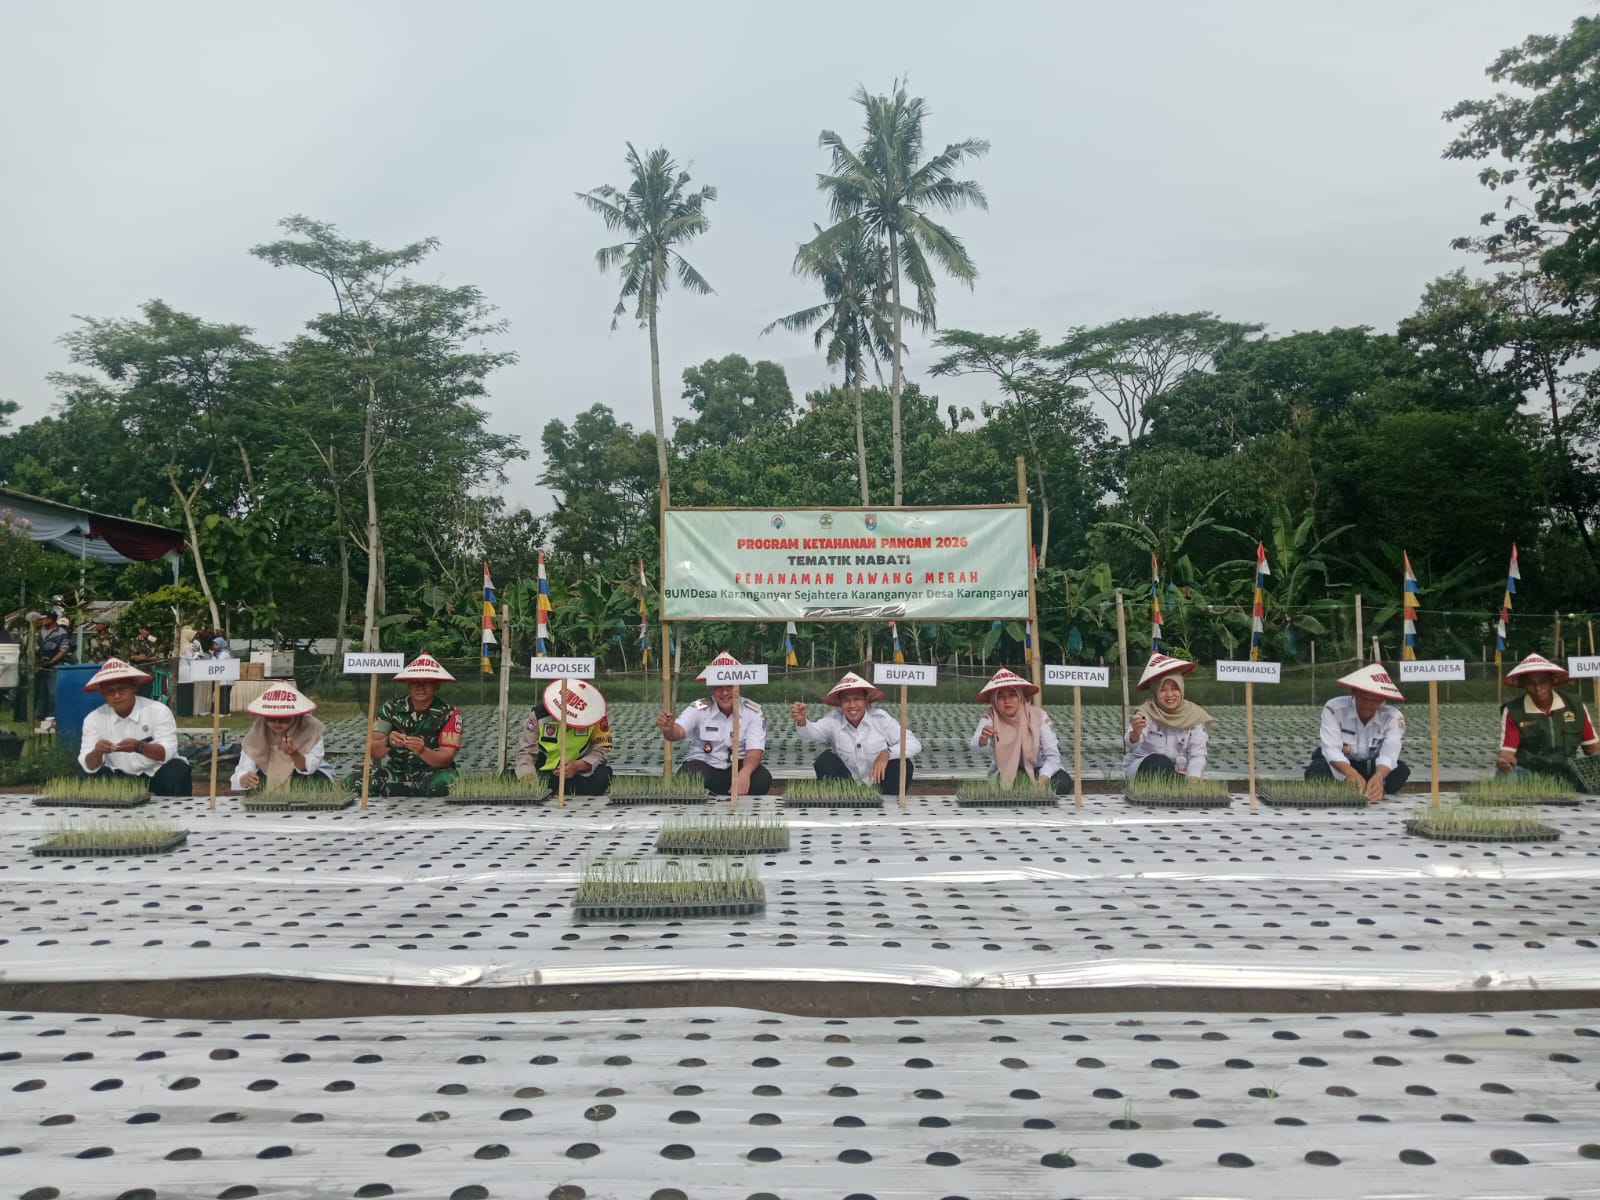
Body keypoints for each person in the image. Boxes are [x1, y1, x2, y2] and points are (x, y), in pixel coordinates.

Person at [656, 651, 772, 795]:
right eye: (718, 687)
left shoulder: (753, 711)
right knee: (690, 776)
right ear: (710, 687)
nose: (724, 693)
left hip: (738, 768)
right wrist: (669, 728)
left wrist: (745, 773)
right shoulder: (699, 708)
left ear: (740, 686)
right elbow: (678, 731)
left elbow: (755, 750)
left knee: (761, 779)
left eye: (730, 686)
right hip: (707, 765)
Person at [76, 657, 192, 795]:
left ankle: (178, 814)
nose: (117, 695)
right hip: (118, 777)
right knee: (87, 776)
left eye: (122, 689)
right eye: (110, 691)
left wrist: (140, 747)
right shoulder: (94, 719)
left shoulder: (158, 711)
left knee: (177, 769)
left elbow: (168, 752)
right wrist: (97, 752)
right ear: (103, 694)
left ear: (134, 687)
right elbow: (88, 765)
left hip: (155, 773)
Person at [791, 669, 920, 793]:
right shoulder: (834, 719)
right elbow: (812, 732)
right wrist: (802, 721)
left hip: (879, 782)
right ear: (840, 704)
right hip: (847, 784)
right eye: (846, 700)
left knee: (903, 764)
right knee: (825, 760)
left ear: (866, 701)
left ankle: (888, 803)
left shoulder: (880, 719)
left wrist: (887, 753)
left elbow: (913, 744)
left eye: (857, 699)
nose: (852, 705)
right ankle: (841, 801)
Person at [355, 652, 462, 797]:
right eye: (414, 682)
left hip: (433, 773)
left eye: (427, 682)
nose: (420, 687)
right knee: (356, 781)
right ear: (408, 684)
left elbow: (446, 758)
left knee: (445, 785)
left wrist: (422, 751)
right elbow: (372, 750)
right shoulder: (390, 709)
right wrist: (389, 742)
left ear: (437, 684)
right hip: (396, 772)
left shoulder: (451, 714)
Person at [1303, 663, 1409, 801]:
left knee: (1400, 772)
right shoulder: (1334, 708)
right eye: (1363, 698)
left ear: (1383, 701)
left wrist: (1379, 777)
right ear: (1354, 693)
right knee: (1317, 770)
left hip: (1370, 765)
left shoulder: (1393, 718)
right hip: (1340, 764)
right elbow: (1331, 749)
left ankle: (1373, 790)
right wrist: (1349, 772)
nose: (1368, 704)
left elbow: (1389, 754)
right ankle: (1342, 789)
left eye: (1374, 701)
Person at [1495, 651, 1600, 785]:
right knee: (1505, 776)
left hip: (1567, 771)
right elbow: (1507, 752)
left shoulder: (1575, 705)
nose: (1538, 688)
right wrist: (1504, 761)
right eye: (1531, 683)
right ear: (1523, 684)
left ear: (1553, 680)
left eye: (1543, 682)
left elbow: (1592, 748)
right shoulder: (1514, 710)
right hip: (1530, 772)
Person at [970, 667, 1072, 794]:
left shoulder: (1038, 716)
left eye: (1012, 695)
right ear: (995, 700)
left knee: (1062, 783)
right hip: (1007, 769)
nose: (1007, 701)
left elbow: (1052, 755)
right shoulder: (990, 717)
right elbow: (975, 746)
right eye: (1001, 697)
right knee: (1013, 783)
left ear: (1020, 696)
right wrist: (982, 739)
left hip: (1038, 768)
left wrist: (1044, 777)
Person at [1123, 653, 1213, 782]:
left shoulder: (1194, 715)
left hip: (1180, 771)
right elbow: (1131, 743)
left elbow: (1197, 754)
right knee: (1158, 762)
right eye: (1163, 690)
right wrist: (1135, 733)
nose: (1169, 695)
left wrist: (1193, 776)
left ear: (1181, 689)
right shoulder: (1145, 712)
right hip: (1145, 767)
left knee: (1178, 775)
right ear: (1155, 691)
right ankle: (1178, 784)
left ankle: (1181, 785)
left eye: (1174, 688)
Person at [515, 679, 614, 795]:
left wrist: (577, 765)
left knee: (603, 775)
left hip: (579, 772)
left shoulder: (596, 717)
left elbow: (601, 750)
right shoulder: (539, 716)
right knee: (538, 783)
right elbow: (526, 751)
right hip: (546, 772)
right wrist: (527, 775)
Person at [230, 683, 330, 792]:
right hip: (270, 776)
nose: (277, 723)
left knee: (309, 782)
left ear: (295, 715)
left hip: (307, 777)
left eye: (283, 718)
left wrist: (294, 754)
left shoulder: (311, 729)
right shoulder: (258, 732)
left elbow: (310, 767)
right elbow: (244, 768)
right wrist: (244, 779)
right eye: (271, 718)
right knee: (259, 784)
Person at [34, 610, 68, 720]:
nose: (43, 621)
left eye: (45, 618)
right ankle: (39, 715)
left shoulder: (61, 632)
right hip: (41, 663)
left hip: (55, 665)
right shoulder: (41, 631)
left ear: (51, 619)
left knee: (53, 692)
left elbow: (64, 649)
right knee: (42, 690)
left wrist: (52, 662)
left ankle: (52, 715)